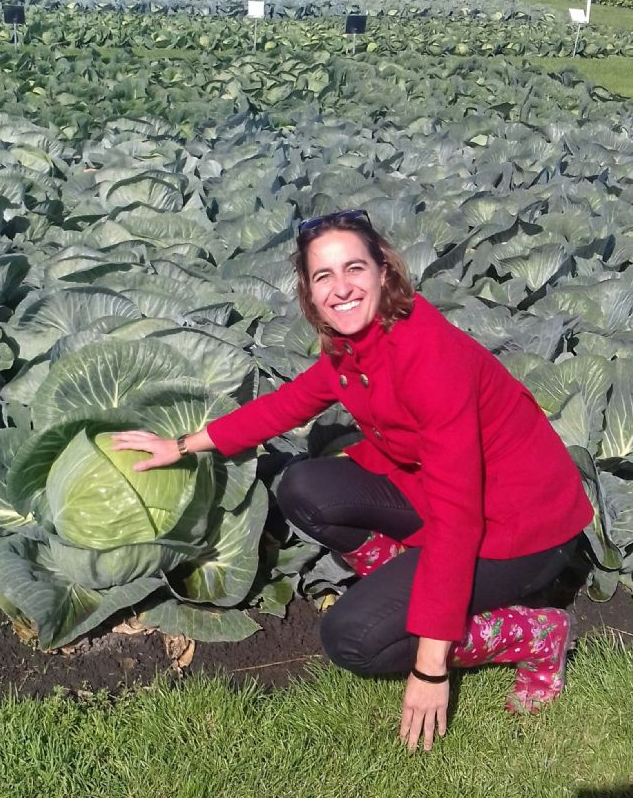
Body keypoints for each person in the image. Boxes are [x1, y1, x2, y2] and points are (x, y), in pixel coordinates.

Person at [111, 209, 593, 752]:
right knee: (303, 488)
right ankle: (407, 586)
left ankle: (537, 634)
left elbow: (459, 521)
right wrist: (181, 445)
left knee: (356, 639)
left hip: (520, 529)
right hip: (443, 496)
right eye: (324, 276)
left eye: (354, 268)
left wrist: (430, 668)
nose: (341, 288)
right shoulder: (354, 341)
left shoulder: (429, 359)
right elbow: (290, 403)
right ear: (309, 292)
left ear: (384, 272)